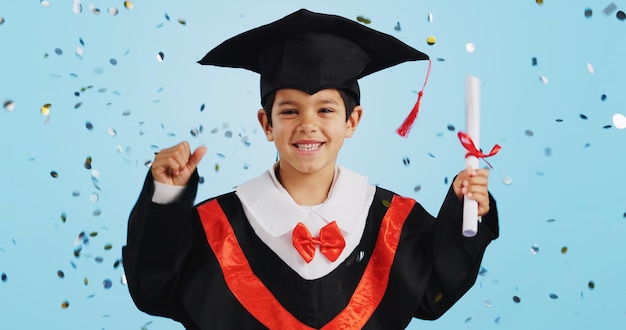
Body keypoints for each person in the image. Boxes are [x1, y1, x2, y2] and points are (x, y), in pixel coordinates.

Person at [122, 8, 499, 330]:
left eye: (326, 109)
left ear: (352, 121)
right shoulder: (216, 228)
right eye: (289, 110)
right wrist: (166, 196)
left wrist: (466, 212)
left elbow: (434, 291)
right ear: (266, 124)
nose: (307, 124)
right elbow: (154, 289)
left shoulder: (391, 223)